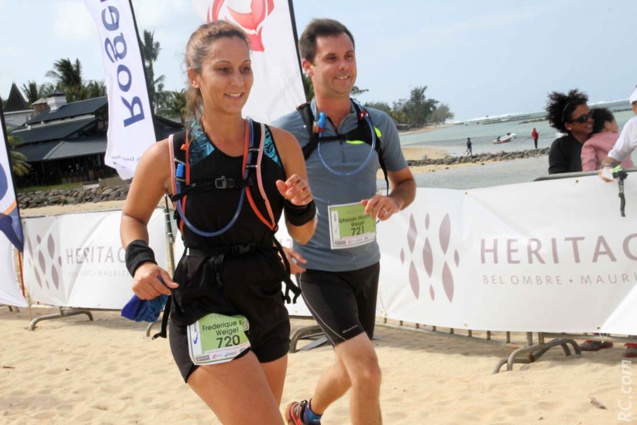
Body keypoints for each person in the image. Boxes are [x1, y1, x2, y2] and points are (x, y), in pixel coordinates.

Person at [120, 21, 316, 424]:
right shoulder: (168, 155)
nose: (238, 80)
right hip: (203, 301)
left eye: (245, 68)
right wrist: (140, 262)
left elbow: (303, 233)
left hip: (266, 299)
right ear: (195, 77)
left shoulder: (280, 145)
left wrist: (300, 205)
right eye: (223, 69)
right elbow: (133, 217)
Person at [272, 18, 416, 425]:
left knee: (351, 368)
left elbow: (405, 183)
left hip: (365, 266)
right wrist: (274, 246)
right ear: (308, 66)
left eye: (349, 56)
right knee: (367, 370)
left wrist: (393, 201)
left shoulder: (378, 124)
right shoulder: (286, 131)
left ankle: (305, 414)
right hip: (318, 270)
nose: (343, 66)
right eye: (331, 58)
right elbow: (259, 202)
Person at [545, 89, 593, 174]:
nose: (590, 120)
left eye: (591, 114)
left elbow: (617, 164)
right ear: (568, 126)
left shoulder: (601, 137)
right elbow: (556, 178)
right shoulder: (561, 147)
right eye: (583, 118)